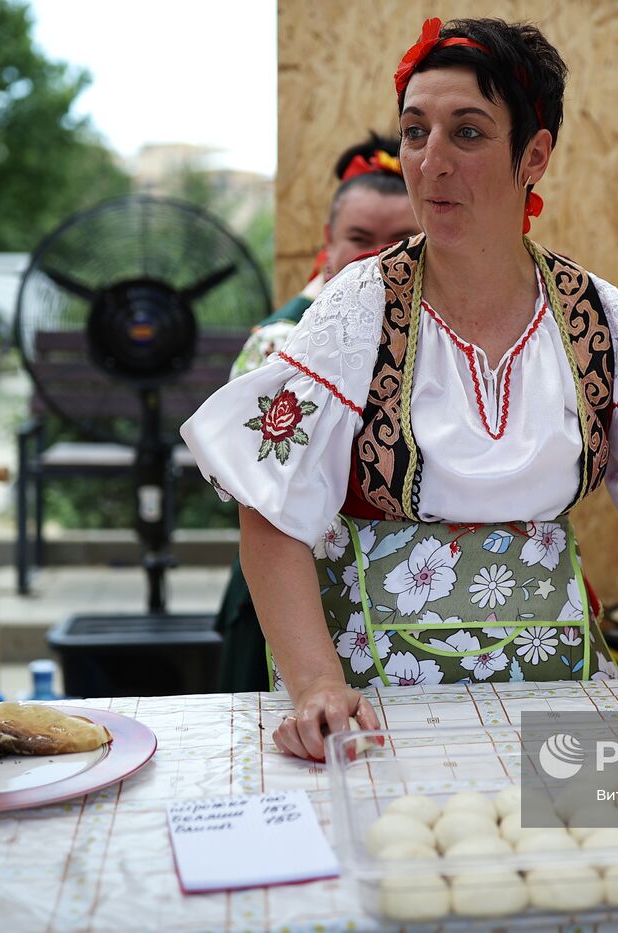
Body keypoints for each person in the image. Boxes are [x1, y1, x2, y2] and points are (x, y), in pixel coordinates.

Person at [183, 16, 618, 761]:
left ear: (535, 154)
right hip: (376, 702)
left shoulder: (594, 316)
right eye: (415, 131)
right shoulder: (360, 306)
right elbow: (269, 508)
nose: (432, 162)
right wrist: (315, 687)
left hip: (560, 687)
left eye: (467, 133)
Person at [213, 133, 420, 692]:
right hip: (293, 585)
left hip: (408, 594)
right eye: (359, 238)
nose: (376, 254)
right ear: (327, 241)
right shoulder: (281, 343)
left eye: (402, 238)